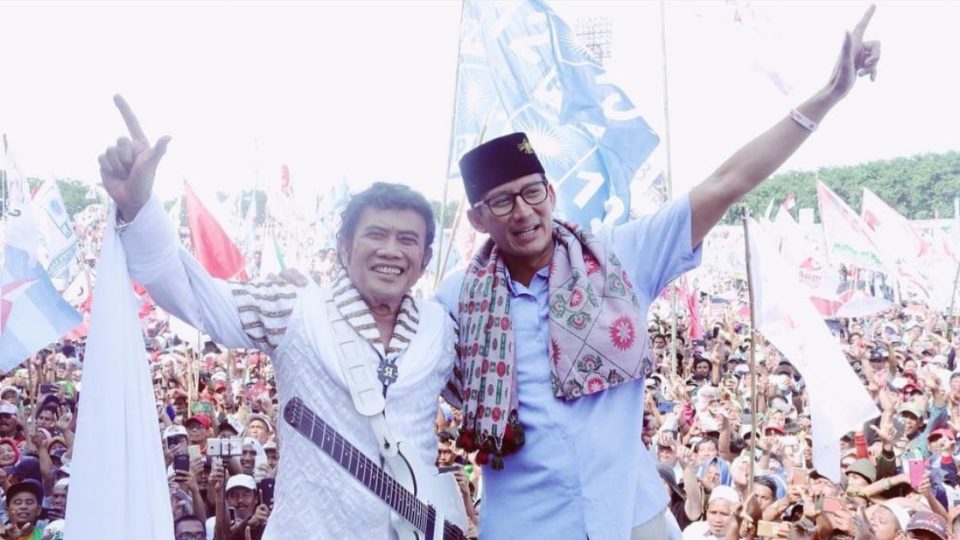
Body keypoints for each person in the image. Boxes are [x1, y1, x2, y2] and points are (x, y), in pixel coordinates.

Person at [436, 6, 880, 538]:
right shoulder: (454, 301)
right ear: (477, 218)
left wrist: (827, 96)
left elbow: (726, 182)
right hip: (526, 525)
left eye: (533, 193)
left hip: (633, 516)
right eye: (503, 202)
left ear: (551, 194)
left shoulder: (619, 258)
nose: (524, 212)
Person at [98, 98, 461, 539]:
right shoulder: (294, 306)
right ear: (344, 248)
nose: (391, 250)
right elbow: (192, 294)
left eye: (407, 240)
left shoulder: (442, 330)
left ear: (424, 260)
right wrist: (140, 208)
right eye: (376, 235)